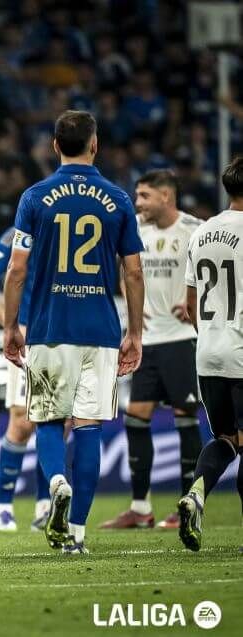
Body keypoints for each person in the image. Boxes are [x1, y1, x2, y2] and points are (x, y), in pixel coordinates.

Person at [2, 110, 145, 554]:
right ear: (95, 145)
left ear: (54, 146)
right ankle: (78, 535)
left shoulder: (35, 197)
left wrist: (10, 325)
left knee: (46, 419)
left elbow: (16, 268)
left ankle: (56, 482)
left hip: (48, 328)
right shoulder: (119, 199)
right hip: (101, 331)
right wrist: (135, 332)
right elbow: (135, 273)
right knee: (88, 428)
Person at [100, 170, 205, 530]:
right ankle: (141, 508)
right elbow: (124, 269)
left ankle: (188, 507)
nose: (138, 202)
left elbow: (222, 273)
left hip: (181, 339)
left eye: (144, 196)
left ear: (166, 196)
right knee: (136, 419)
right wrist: (133, 305)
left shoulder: (195, 230)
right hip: (147, 340)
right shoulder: (138, 231)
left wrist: (197, 302)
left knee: (185, 420)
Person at [177, 156, 243, 552]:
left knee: (226, 437)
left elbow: (190, 304)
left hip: (209, 354)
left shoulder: (202, 232)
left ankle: (197, 493)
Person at [0, 228, 51, 532]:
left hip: (65, 336)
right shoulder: (23, 233)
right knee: (21, 421)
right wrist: (11, 323)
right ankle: (3, 508)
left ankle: (46, 506)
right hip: (30, 340)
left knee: (57, 422)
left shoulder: (69, 226)